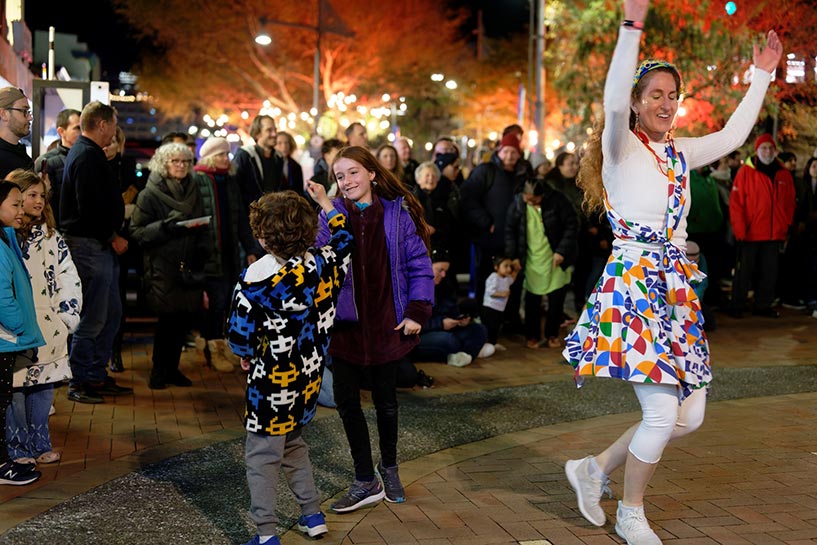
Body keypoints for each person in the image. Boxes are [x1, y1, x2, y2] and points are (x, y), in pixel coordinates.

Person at [562, 1, 782, 542]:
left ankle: (592, 469)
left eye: (671, 95)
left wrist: (761, 76)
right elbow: (610, 102)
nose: (665, 103)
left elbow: (731, 138)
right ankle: (630, 512)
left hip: (675, 290)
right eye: (654, 94)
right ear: (637, 104)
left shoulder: (678, 152)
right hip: (634, 287)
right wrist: (631, 29)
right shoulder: (619, 150)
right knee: (662, 415)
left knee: (690, 416)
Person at [227, 184, 354, 545]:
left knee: (262, 454)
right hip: (310, 375)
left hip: (272, 381)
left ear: (264, 239)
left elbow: (240, 335)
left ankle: (265, 532)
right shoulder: (326, 263)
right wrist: (327, 204)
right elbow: (345, 238)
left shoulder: (252, 282)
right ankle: (312, 514)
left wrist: (246, 355)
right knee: (294, 441)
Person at [314, 146, 433, 513]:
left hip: (386, 322)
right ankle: (365, 478)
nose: (346, 182)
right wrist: (328, 209)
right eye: (339, 176)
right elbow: (322, 260)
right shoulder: (331, 214)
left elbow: (418, 264)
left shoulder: (397, 213)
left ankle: (390, 466)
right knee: (349, 404)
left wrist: (416, 310)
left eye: (352, 173)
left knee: (387, 403)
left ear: (371, 174)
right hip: (346, 326)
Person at [5, 170, 80, 466]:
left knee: (43, 384)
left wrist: (67, 314)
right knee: (16, 386)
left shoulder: (50, 235)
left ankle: (40, 442)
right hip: (16, 326)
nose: (38, 201)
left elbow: (67, 274)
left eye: (42, 195)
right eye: (31, 195)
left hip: (48, 325)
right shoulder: (7, 237)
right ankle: (17, 447)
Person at [60, 101, 132, 404]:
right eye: (113, 124)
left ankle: (95, 374)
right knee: (93, 316)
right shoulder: (87, 157)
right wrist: (112, 236)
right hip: (90, 245)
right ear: (102, 124)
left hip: (97, 245)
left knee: (110, 313)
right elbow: (90, 208)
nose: (115, 131)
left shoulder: (90, 154)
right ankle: (80, 379)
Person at [129, 142, 209, 390]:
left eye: (186, 161)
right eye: (176, 161)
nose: (182, 166)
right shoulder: (150, 193)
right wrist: (165, 227)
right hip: (162, 265)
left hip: (188, 263)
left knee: (183, 320)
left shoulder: (194, 189)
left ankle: (172, 369)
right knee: (167, 321)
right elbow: (137, 232)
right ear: (164, 164)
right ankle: (158, 371)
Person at [193, 137, 262, 373]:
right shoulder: (198, 179)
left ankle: (222, 347)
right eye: (220, 154)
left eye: (226, 154)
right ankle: (212, 349)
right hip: (207, 252)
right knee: (215, 302)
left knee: (228, 302)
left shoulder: (230, 181)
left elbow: (241, 217)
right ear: (210, 157)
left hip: (229, 252)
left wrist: (251, 248)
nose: (225, 158)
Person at [0, 180, 44, 485]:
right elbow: (2, 294)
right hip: (5, 337)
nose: (21, 210)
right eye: (15, 204)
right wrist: (19, 325)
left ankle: (3, 462)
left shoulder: (6, 238)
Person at [728, 133, 796, 318]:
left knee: (769, 272)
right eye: (764, 148)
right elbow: (736, 203)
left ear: (775, 151)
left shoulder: (784, 174)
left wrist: (787, 225)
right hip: (750, 233)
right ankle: (737, 305)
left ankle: (763, 305)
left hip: (774, 234)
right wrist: (739, 229)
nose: (767, 151)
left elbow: (790, 203)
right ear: (757, 151)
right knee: (744, 272)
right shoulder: (746, 172)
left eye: (770, 148)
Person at [505, 179, 578, 349]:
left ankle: (552, 334)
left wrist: (561, 251)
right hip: (531, 258)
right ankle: (532, 335)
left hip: (556, 257)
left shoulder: (558, 200)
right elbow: (510, 231)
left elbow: (571, 225)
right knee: (532, 299)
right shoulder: (517, 205)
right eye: (527, 199)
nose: (531, 203)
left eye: (535, 200)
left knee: (556, 299)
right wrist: (513, 256)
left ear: (542, 196)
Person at [411, 248, 490, 367]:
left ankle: (463, 355)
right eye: (440, 270)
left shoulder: (445, 285)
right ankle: (470, 351)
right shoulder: (414, 287)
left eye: (446, 271)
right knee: (449, 341)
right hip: (421, 334)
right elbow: (412, 325)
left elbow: (451, 309)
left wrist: (459, 319)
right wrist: (441, 324)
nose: (443, 274)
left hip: (444, 329)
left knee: (479, 330)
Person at [34, 108, 81, 225]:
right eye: (77, 128)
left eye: (83, 128)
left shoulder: (89, 159)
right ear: (61, 131)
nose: (82, 132)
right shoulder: (47, 161)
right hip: (55, 228)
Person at [233, 115, 285, 210]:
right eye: (269, 130)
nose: (274, 134)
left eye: (275, 130)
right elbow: (235, 192)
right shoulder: (245, 156)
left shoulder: (278, 158)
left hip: (273, 217)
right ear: (257, 133)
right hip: (251, 217)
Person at [480, 256, 518, 349]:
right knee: (490, 326)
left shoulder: (507, 278)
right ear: (496, 267)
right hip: (490, 308)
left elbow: (512, 279)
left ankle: (493, 343)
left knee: (496, 326)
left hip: (499, 308)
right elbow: (491, 292)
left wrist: (516, 270)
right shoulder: (494, 277)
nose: (509, 269)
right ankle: (485, 344)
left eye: (510, 266)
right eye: (506, 266)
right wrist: (502, 294)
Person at [0, 88, 34, 179]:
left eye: (29, 112)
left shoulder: (20, 153)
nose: (30, 118)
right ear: (3, 114)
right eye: (24, 111)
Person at [274, 131, 305, 196]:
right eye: (279, 143)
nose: (284, 146)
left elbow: (300, 191)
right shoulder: (269, 164)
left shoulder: (296, 166)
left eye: (286, 143)